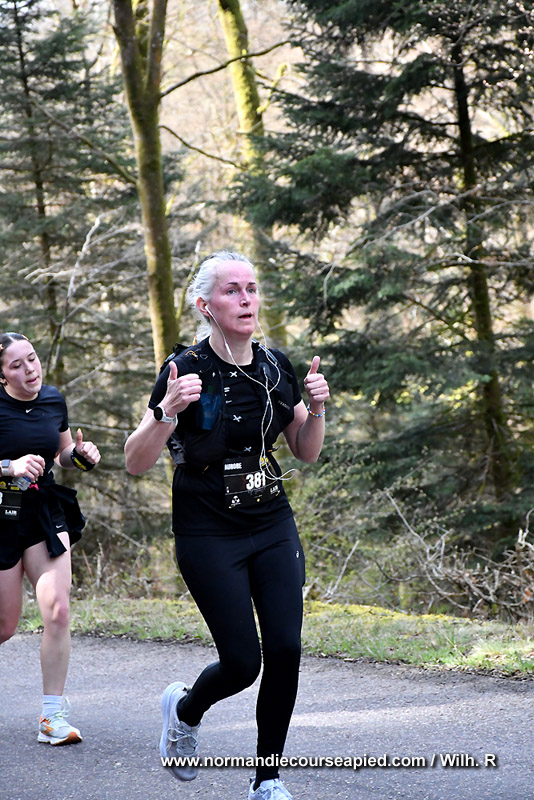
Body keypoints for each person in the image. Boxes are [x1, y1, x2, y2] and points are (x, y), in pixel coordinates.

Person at [125, 250, 330, 800]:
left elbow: (305, 450)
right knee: (242, 663)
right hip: (207, 531)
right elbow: (135, 461)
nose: (245, 299)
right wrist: (167, 411)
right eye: (231, 290)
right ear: (205, 305)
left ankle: (267, 778)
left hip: (271, 520)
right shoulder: (183, 370)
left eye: (251, 289)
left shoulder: (276, 366)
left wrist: (317, 408)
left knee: (285, 648)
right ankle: (185, 710)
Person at [0, 332, 100, 745]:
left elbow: (61, 452)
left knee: (58, 611)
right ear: (2, 376)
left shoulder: (53, 399)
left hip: (42, 511)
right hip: (2, 515)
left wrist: (78, 456)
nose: (30, 369)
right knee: (4, 625)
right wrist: (9, 466)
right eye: (16, 365)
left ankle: (51, 717)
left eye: (32, 358)